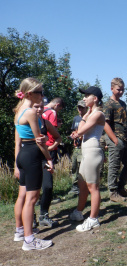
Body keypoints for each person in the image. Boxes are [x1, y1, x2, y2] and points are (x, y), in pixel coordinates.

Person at [13, 77, 53, 251]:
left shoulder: (19, 110)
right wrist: (49, 158)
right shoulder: (29, 112)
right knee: (32, 199)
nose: (42, 96)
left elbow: (20, 139)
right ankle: (29, 240)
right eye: (40, 92)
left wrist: (16, 163)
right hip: (32, 155)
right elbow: (39, 141)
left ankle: (21, 231)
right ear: (30, 93)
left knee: (25, 196)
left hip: (23, 155)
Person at [69, 86, 105, 232]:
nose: (84, 98)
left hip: (92, 153)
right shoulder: (91, 114)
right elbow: (80, 131)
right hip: (86, 152)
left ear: (95, 99)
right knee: (82, 184)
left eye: (87, 96)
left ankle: (93, 219)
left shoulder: (98, 114)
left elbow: (81, 131)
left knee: (93, 187)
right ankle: (79, 212)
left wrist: (78, 129)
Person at [103, 78, 127, 202]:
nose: (121, 92)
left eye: (122, 89)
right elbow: (105, 124)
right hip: (115, 138)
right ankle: (113, 192)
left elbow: (125, 122)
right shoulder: (108, 104)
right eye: (118, 89)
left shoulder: (122, 103)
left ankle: (120, 188)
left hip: (125, 139)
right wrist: (114, 139)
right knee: (114, 166)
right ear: (112, 89)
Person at [33, 100, 62, 228]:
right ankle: (31, 218)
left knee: (48, 186)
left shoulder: (45, 122)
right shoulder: (26, 123)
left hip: (45, 159)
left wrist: (51, 147)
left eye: (40, 107)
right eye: (36, 107)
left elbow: (58, 137)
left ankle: (44, 215)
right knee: (32, 191)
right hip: (31, 160)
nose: (39, 109)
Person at [68, 100, 88, 195]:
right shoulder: (76, 119)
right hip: (76, 147)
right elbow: (73, 130)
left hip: (84, 146)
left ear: (86, 108)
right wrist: (73, 134)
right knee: (74, 167)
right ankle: (75, 187)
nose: (80, 109)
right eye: (79, 107)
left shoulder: (88, 118)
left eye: (82, 107)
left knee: (82, 167)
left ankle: (83, 187)